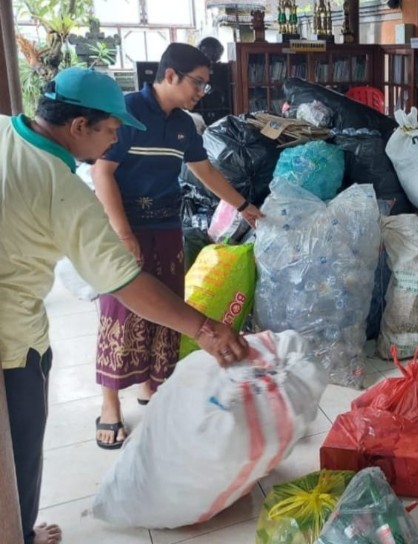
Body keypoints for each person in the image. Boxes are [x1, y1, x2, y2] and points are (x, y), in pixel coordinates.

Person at [0, 67, 248, 544]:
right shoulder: (65, 192)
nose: (115, 141)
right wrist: (207, 330)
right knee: (19, 449)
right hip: (13, 344)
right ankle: (20, 535)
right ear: (78, 128)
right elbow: (127, 283)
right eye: (111, 131)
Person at [91, 43, 263, 449]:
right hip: (124, 224)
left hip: (167, 225)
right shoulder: (127, 113)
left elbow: (203, 170)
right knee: (120, 311)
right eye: (197, 82)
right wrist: (123, 233)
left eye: (205, 84)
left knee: (168, 305)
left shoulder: (185, 123)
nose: (202, 91)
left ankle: (152, 386)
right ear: (170, 75)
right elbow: (103, 174)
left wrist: (242, 205)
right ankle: (110, 405)